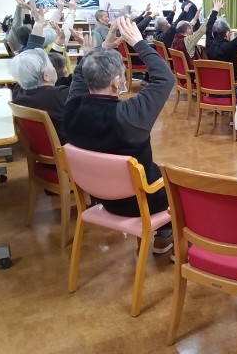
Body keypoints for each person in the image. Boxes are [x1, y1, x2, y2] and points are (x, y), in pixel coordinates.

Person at [63, 16, 176, 255]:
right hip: (140, 200)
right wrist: (138, 43)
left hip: (100, 195)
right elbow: (166, 78)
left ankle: (165, 235)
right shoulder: (129, 115)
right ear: (116, 82)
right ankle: (170, 237)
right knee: (179, 184)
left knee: (154, 170)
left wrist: (100, 49)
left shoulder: (71, 108)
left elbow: (79, 78)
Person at [10, 0, 98, 145]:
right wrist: (87, 55)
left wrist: (39, 24)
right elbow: (81, 81)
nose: (54, 66)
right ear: (45, 75)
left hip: (44, 149)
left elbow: (30, 53)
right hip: (71, 151)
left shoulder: (19, 91)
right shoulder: (60, 96)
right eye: (51, 64)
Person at [170, 7, 203, 71]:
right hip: (193, 73)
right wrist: (213, 14)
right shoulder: (186, 41)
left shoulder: (176, 38)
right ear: (187, 30)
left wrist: (195, 19)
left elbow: (186, 26)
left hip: (182, 72)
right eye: (191, 28)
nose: (192, 30)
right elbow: (200, 31)